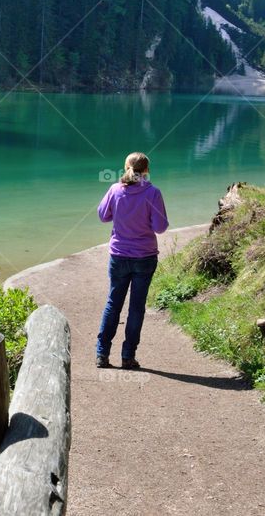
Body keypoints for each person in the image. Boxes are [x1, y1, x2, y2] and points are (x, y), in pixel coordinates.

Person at [95, 152, 169, 370]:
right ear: (147, 170)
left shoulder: (115, 190)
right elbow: (160, 227)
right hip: (144, 257)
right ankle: (128, 356)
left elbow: (103, 215)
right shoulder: (153, 193)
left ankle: (102, 354)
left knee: (113, 303)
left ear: (125, 167)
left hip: (118, 255)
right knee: (136, 308)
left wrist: (120, 215)